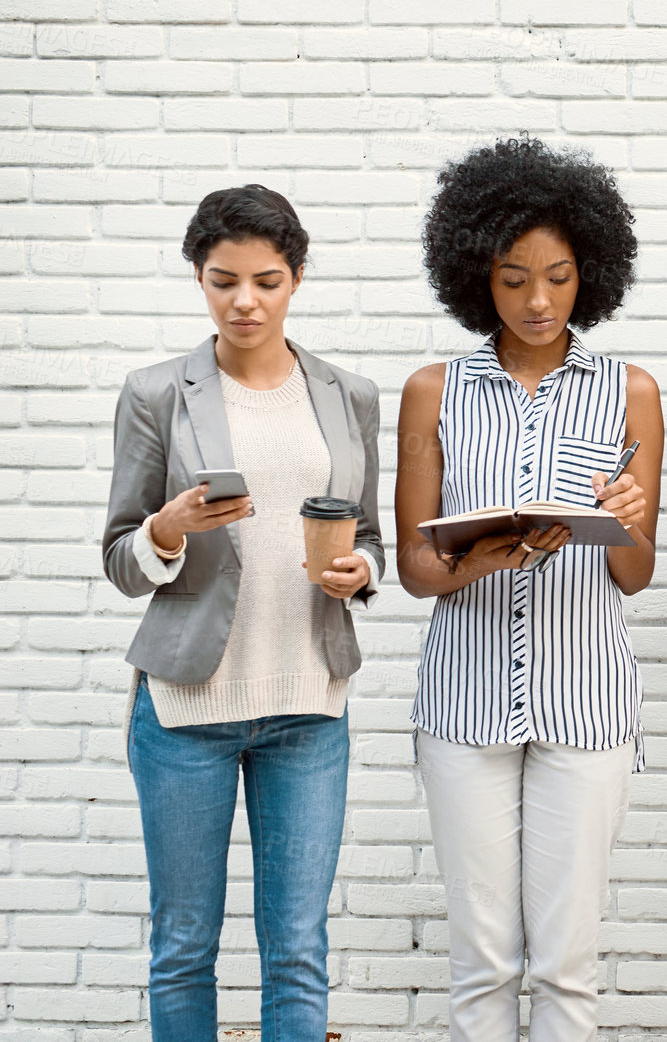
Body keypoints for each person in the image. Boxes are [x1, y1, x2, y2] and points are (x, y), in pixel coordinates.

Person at [102, 185, 384, 1040]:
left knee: (297, 945)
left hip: (308, 704)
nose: (245, 301)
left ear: (296, 277)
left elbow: (367, 533)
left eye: (266, 280)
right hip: (186, 705)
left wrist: (359, 569)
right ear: (199, 277)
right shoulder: (156, 393)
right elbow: (120, 556)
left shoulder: (349, 394)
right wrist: (167, 528)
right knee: (184, 943)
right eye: (224, 281)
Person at [395, 138, 660, 1041]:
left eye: (558, 275)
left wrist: (623, 516)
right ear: (477, 276)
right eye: (513, 279)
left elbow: (634, 574)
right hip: (462, 707)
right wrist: (483, 556)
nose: (538, 301)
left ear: (593, 270)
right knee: (481, 966)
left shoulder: (631, 392)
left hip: (586, 705)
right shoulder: (434, 391)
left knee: (565, 969)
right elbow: (415, 568)